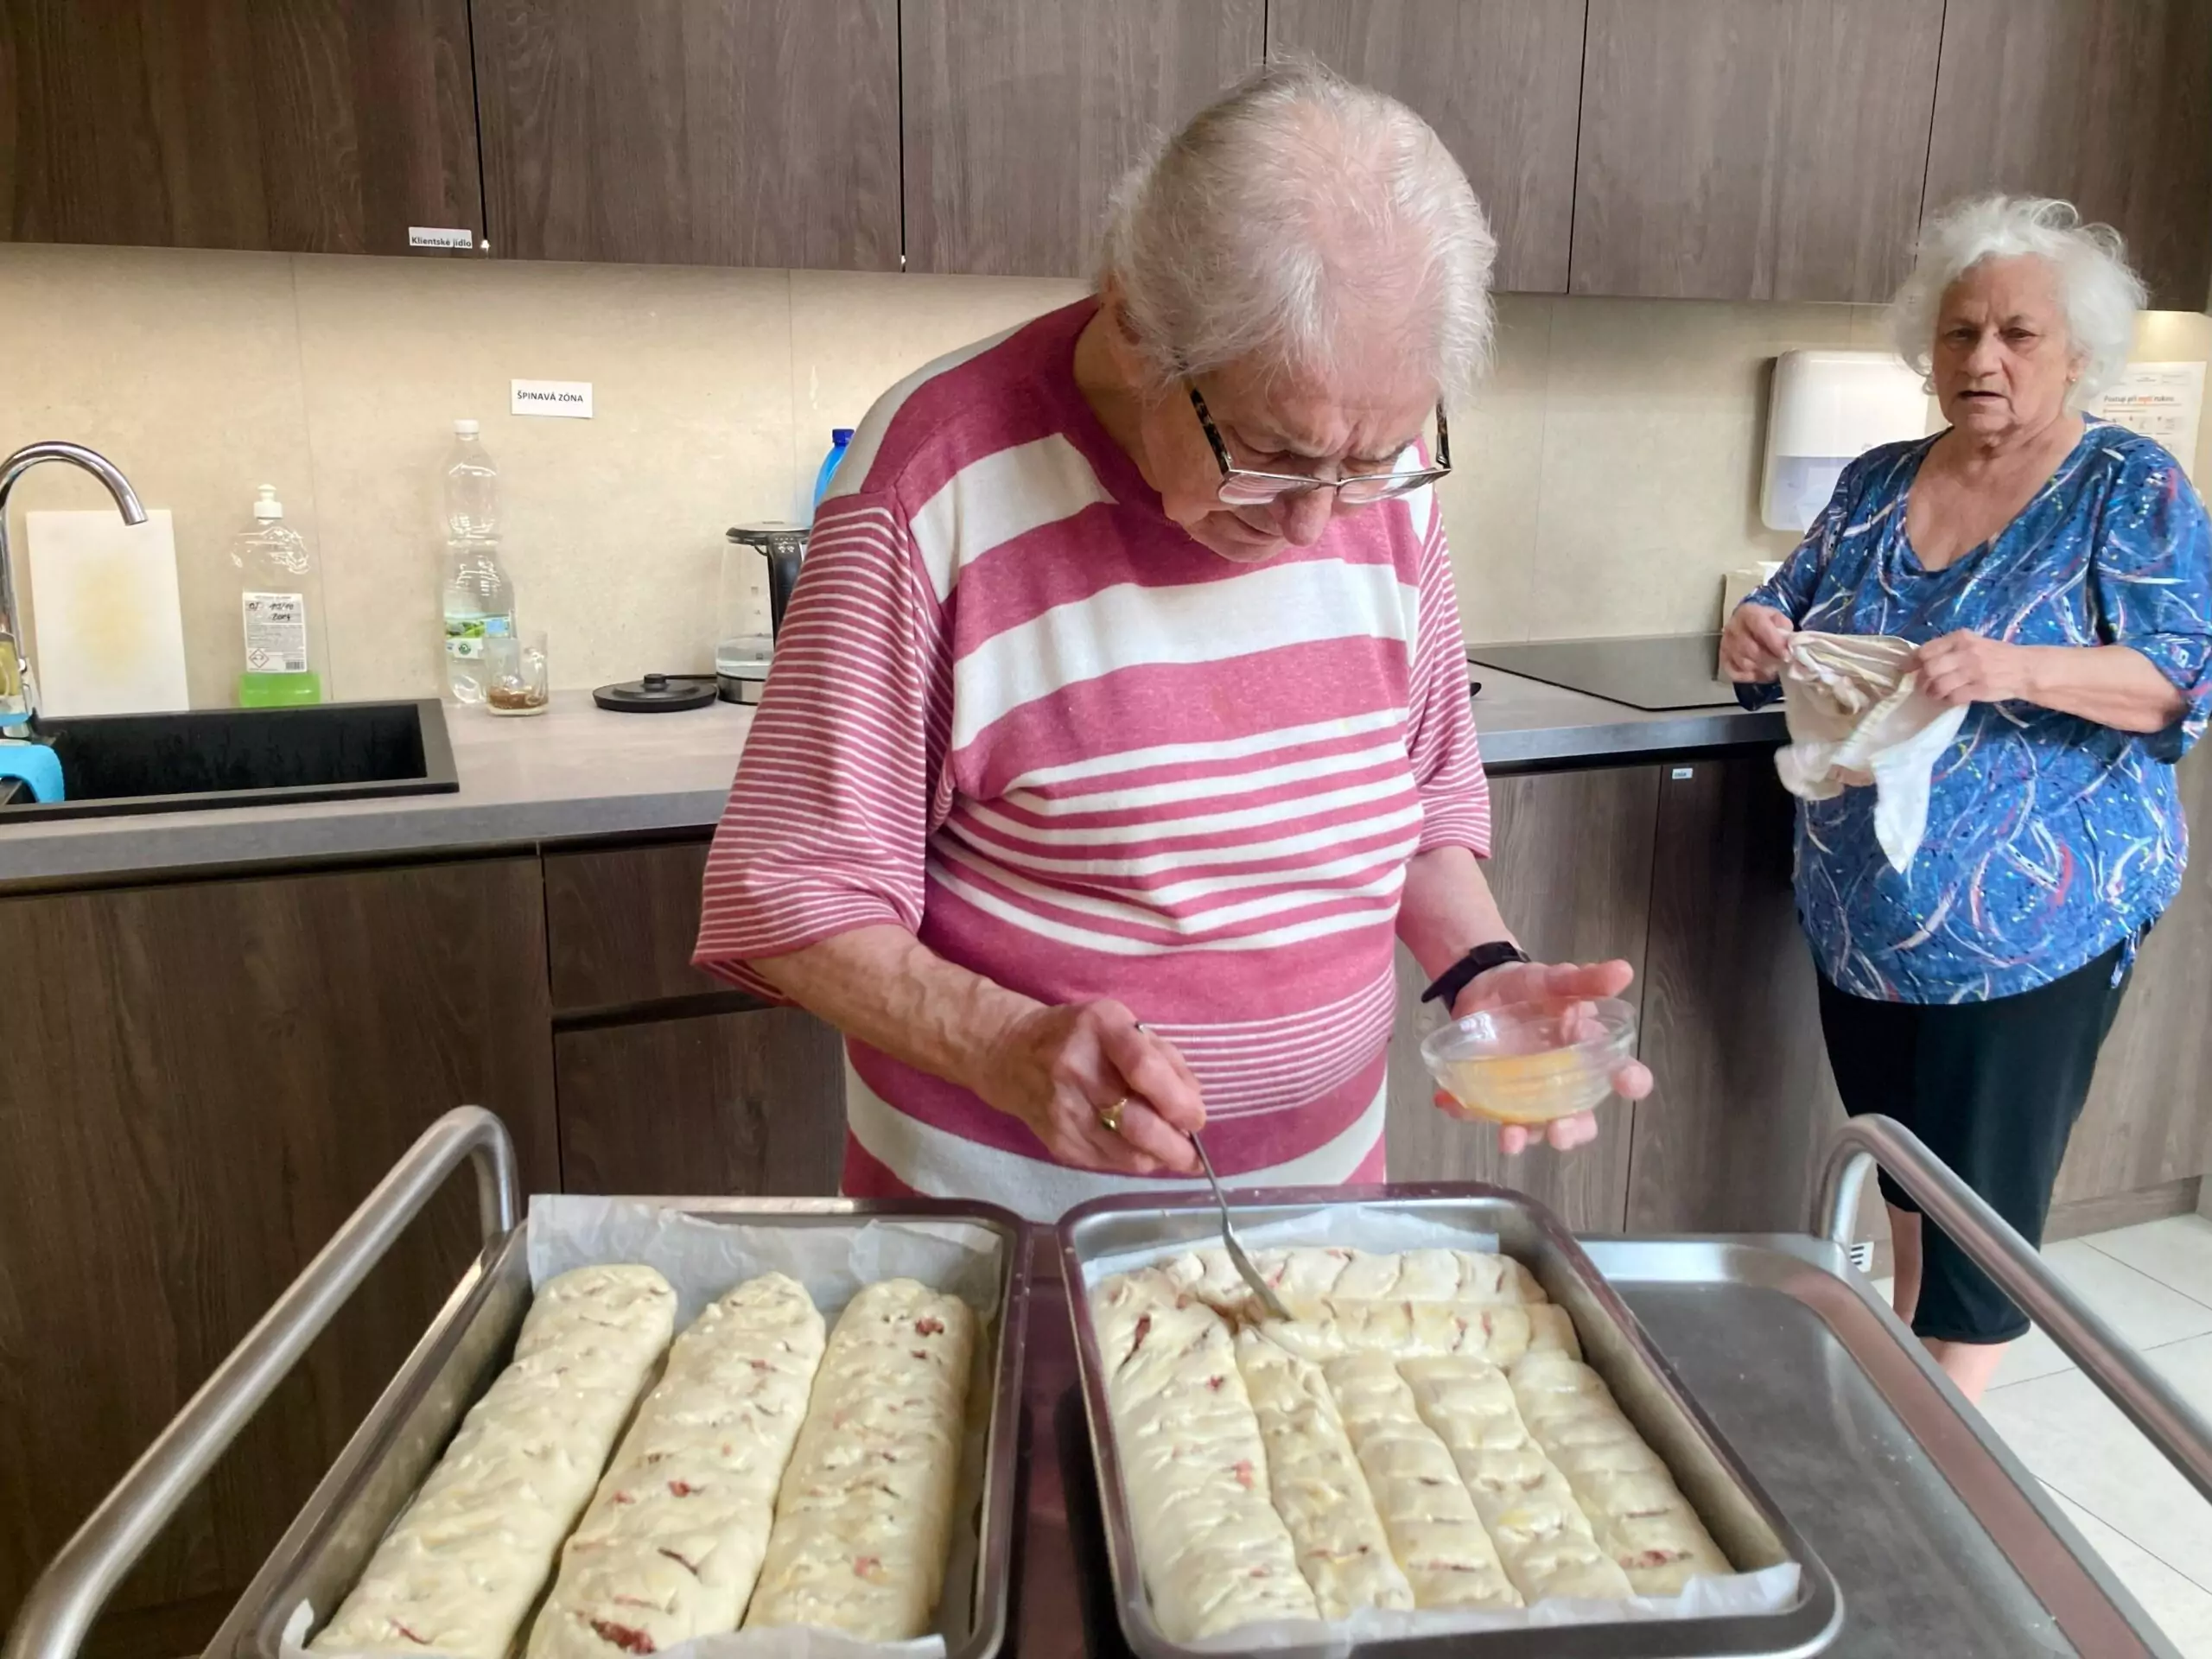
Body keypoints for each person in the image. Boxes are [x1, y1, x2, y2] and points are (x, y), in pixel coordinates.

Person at [692, 62, 1650, 1221]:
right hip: (1015, 1237)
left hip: (1321, 1224)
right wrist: (1001, 1044)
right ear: (1136, 321)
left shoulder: (1370, 470)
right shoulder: (930, 483)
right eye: (1271, 454)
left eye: (1368, 462)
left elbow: (1414, 799)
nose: (1316, 523)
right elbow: (794, 895)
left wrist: (1483, 972)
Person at [1722, 195, 2212, 1402]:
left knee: (1978, 1235)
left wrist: (2017, 668)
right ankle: (1903, 1395)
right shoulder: (1879, 479)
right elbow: (1789, 617)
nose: (1983, 357)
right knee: (1905, 1185)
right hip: (1863, 921)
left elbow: (2179, 680)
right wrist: (1755, 635)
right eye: (1959, 332)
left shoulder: (2126, 485)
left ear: (2078, 352)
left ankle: (1939, 1464)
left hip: (2034, 928)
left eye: (2018, 334)